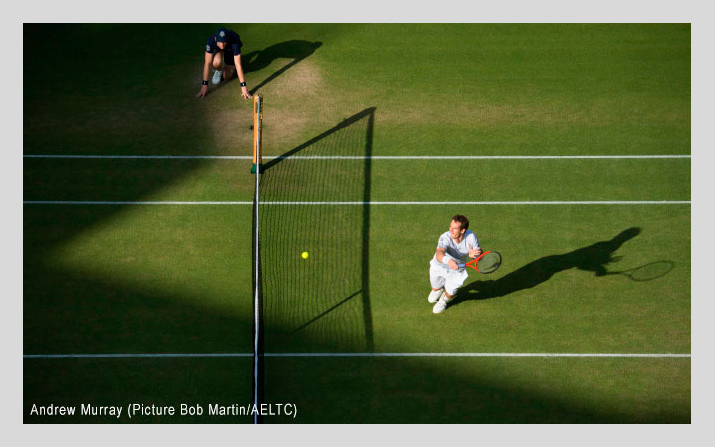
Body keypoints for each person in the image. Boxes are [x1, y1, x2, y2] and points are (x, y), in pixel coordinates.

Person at [427, 215, 481, 314]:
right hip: (439, 267)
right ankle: (438, 289)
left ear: (462, 230)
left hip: (457, 270)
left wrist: (475, 255)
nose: (450, 230)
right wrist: (448, 261)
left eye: (454, 228)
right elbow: (439, 254)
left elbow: (479, 257)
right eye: (450, 227)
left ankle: (444, 300)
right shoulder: (445, 237)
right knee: (435, 288)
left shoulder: (471, 237)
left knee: (451, 293)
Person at [196, 27, 252, 99]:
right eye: (220, 42)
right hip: (218, 50)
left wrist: (243, 86)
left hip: (230, 51)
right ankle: (218, 70)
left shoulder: (235, 40)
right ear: (216, 39)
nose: (222, 45)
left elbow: (238, 64)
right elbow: (207, 63)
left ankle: (226, 62)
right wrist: (204, 85)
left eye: (224, 42)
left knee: (227, 77)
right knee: (216, 62)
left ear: (228, 38)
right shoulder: (211, 41)